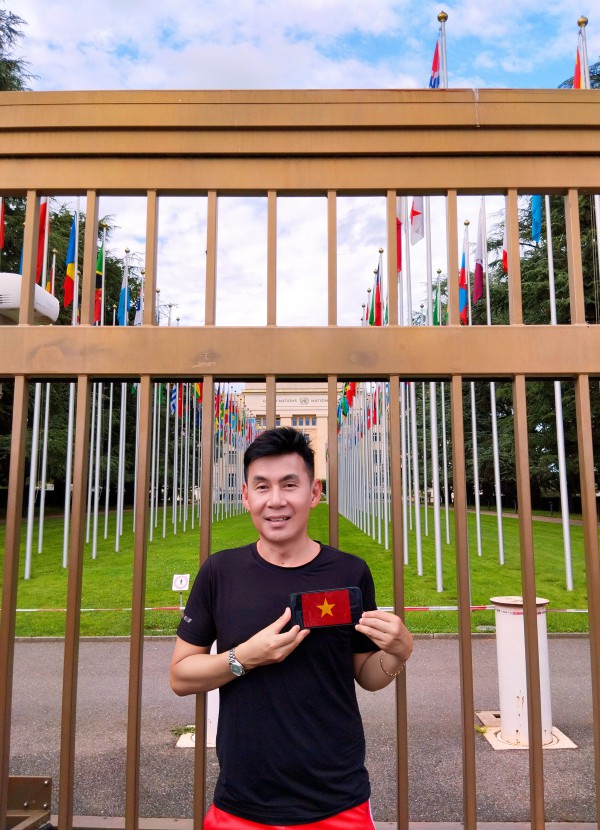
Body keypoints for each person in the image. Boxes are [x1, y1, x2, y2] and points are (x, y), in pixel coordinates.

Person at [170, 427, 413, 830]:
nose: (276, 500)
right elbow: (180, 676)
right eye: (261, 486)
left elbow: (366, 676)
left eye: (289, 484)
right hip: (242, 802)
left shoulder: (349, 572)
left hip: (338, 800)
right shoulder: (220, 572)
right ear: (246, 495)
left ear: (314, 493)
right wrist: (245, 658)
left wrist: (397, 653)